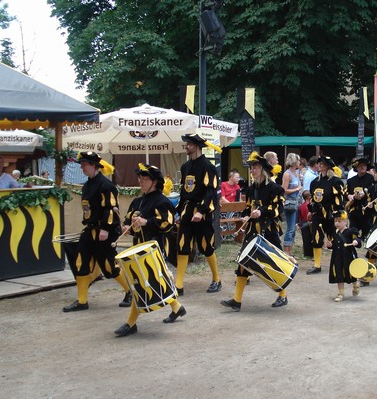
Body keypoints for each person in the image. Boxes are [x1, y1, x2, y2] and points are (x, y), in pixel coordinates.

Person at [113, 164, 187, 336]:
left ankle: (130, 323)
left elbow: (167, 223)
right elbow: (128, 222)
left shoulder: (162, 201)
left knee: (139, 283)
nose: (140, 181)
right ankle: (177, 307)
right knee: (151, 281)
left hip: (155, 246)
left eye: (144, 179)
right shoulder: (137, 201)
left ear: (154, 182)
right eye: (140, 178)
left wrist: (147, 222)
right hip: (138, 247)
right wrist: (126, 227)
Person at [62, 151, 132, 312]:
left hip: (104, 231)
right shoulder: (87, 185)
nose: (82, 167)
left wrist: (105, 229)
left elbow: (111, 209)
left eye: (84, 164)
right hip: (90, 230)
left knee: (109, 266)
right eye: (82, 164)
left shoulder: (106, 186)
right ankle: (82, 301)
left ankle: (130, 291)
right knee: (80, 262)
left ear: (94, 165)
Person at [220, 152, 287, 311]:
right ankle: (237, 300)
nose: (252, 170)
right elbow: (248, 208)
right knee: (243, 262)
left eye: (254, 167)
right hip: (252, 230)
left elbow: (277, 209)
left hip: (268, 229)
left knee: (273, 262)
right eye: (250, 167)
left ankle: (282, 295)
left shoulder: (274, 189)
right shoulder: (251, 189)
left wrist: (262, 212)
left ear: (262, 168)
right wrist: (245, 216)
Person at [174, 133, 223, 295]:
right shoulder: (185, 167)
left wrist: (201, 212)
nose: (186, 146)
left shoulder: (208, 167)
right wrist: (179, 211)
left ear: (196, 146)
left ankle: (217, 279)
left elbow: (211, 192)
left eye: (188, 144)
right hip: (187, 213)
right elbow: (183, 191)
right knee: (182, 246)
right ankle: (178, 285)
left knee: (206, 247)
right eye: (186, 144)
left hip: (202, 213)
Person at [306, 156, 345, 275]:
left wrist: (337, 215)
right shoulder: (314, 182)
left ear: (328, 166)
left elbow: (339, 200)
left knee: (334, 238)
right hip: (317, 214)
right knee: (316, 237)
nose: (320, 165)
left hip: (330, 214)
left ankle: (338, 261)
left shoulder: (335, 181)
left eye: (322, 163)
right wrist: (310, 210)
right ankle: (317, 265)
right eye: (318, 163)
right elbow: (312, 198)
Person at [328, 209, 361, 302]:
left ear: (345, 222)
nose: (337, 223)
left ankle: (355, 285)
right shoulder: (335, 233)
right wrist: (330, 245)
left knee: (351, 272)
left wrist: (356, 242)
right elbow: (334, 244)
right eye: (335, 221)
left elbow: (358, 240)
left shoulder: (350, 231)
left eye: (339, 221)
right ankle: (341, 293)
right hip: (337, 257)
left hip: (348, 256)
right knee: (338, 274)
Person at [282, 152, 302, 256]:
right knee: (290, 228)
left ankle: (290, 249)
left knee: (294, 227)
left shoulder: (297, 173)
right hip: (290, 203)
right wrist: (297, 189)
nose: (300, 162)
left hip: (296, 202)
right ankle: (286, 251)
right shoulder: (287, 174)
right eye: (298, 160)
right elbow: (284, 190)